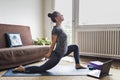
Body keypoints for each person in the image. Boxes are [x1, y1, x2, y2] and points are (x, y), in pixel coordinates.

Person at [12, 11, 86, 73]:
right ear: (57, 18)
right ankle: (23, 69)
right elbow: (53, 43)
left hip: (65, 50)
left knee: (75, 46)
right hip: (58, 54)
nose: (62, 15)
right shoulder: (55, 29)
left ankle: (77, 64)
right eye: (61, 15)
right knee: (42, 69)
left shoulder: (60, 27)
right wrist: (49, 54)